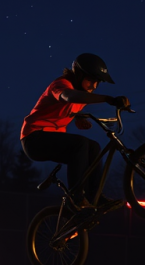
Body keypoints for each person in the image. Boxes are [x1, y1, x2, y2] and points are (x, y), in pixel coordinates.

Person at [21, 53, 130, 218]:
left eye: (97, 82)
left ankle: (94, 198)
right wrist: (107, 99)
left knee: (94, 147)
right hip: (34, 138)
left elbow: (68, 107)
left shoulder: (82, 93)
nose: (93, 86)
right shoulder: (61, 84)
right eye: (90, 80)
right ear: (78, 75)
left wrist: (78, 116)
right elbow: (68, 97)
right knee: (80, 144)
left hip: (50, 139)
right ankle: (76, 197)